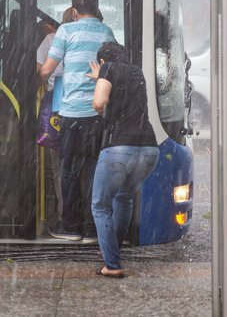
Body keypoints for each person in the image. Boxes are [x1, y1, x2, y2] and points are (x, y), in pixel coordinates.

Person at [39, 0, 115, 241]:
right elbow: (113, 67)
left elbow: (48, 69)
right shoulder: (105, 32)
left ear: (74, 11)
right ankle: (92, 226)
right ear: (97, 8)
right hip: (97, 112)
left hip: (71, 112)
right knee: (94, 169)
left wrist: (40, 71)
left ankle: (70, 226)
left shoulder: (66, 31)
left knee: (69, 169)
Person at [87, 41, 158, 278]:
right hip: (149, 149)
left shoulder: (108, 69)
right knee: (124, 198)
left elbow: (99, 101)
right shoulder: (137, 72)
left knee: (100, 205)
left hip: (119, 148)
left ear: (104, 61)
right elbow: (122, 90)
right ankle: (113, 251)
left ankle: (113, 264)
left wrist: (100, 82)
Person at [36, 7, 77, 228]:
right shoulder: (96, 36)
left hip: (57, 106)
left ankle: (65, 216)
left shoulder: (52, 39)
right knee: (81, 161)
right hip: (86, 108)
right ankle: (82, 215)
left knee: (60, 163)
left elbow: (40, 70)